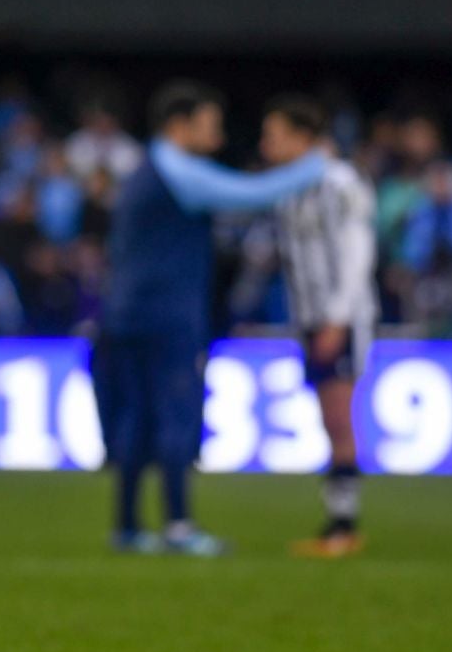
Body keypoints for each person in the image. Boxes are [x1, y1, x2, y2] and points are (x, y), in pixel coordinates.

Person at [93, 81, 325, 557]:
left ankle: (129, 527)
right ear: (180, 126)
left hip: (128, 311)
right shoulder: (177, 170)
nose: (217, 136)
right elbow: (251, 194)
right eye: (209, 125)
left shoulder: (146, 169)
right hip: (167, 314)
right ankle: (179, 525)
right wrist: (318, 163)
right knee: (176, 414)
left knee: (136, 418)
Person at [261, 96, 377, 559]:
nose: (266, 144)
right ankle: (338, 522)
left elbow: (356, 252)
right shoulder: (292, 186)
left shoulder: (337, 182)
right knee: (329, 419)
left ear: (302, 137)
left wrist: (337, 316)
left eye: (274, 134)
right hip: (311, 317)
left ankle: (344, 525)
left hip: (336, 317)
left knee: (338, 418)